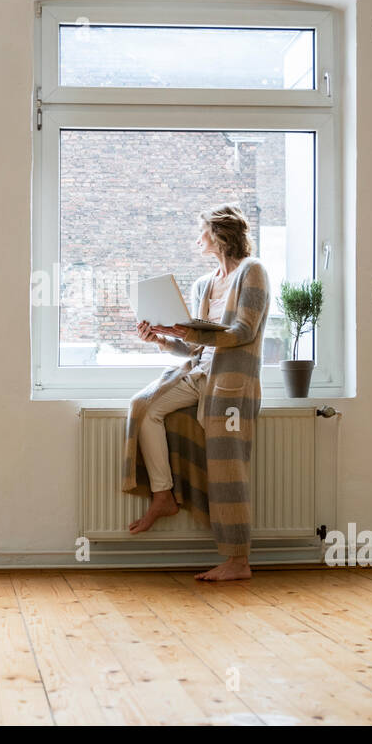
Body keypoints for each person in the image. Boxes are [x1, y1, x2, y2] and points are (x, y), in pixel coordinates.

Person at [121, 204, 271, 582]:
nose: (197, 238)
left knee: (227, 472)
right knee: (144, 407)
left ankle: (238, 561)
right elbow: (197, 348)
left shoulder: (252, 272)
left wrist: (190, 332)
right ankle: (163, 495)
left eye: (201, 231)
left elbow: (243, 333)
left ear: (219, 235)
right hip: (198, 373)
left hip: (231, 386)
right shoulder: (204, 284)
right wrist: (163, 338)